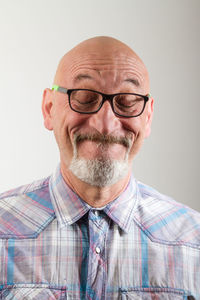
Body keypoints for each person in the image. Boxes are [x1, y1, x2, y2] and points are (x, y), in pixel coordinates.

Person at [0, 36, 199, 300]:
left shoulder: (192, 242)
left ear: (148, 116)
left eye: (127, 102)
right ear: (49, 109)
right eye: (84, 98)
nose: (105, 124)